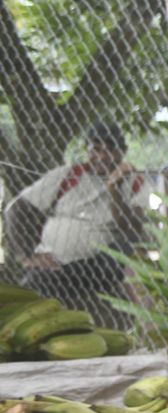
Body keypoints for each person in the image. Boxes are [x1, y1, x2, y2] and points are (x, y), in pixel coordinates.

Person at [4, 123, 144, 310]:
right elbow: (16, 208)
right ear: (87, 150)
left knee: (127, 249)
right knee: (23, 301)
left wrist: (114, 189)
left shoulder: (134, 180)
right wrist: (27, 256)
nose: (102, 157)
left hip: (99, 265)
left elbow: (132, 227)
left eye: (110, 150)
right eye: (96, 149)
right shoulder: (68, 174)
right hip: (53, 264)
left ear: (123, 152)